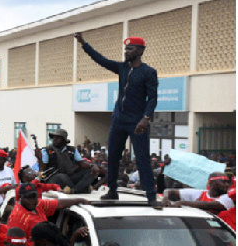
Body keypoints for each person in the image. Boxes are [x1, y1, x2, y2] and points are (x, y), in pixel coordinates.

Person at [75, 32, 162, 209]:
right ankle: (112, 190)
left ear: (140, 50)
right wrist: (83, 43)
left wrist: (145, 119)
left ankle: (151, 196)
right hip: (119, 120)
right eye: (125, 48)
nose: (126, 51)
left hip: (137, 122)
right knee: (113, 156)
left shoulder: (148, 72)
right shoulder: (122, 68)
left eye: (130, 48)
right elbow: (100, 59)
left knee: (143, 159)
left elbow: (152, 99)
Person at [7, 183, 89, 246]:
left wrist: (81, 200)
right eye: (28, 197)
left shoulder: (38, 204)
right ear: (20, 198)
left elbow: (59, 204)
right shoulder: (17, 217)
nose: (31, 200)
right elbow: (16, 245)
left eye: (33, 196)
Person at [40, 129, 95, 194]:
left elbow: (81, 163)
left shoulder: (72, 150)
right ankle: (82, 189)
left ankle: (74, 190)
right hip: (54, 177)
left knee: (90, 171)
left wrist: (92, 166)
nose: (55, 139)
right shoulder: (46, 150)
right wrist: (40, 159)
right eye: (54, 137)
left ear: (63, 139)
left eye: (58, 137)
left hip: (69, 176)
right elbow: (43, 168)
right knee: (61, 176)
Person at [162, 172, 234, 214]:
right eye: (223, 182)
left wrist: (182, 203)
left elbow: (209, 205)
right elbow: (169, 191)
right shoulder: (199, 193)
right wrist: (165, 198)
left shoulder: (228, 197)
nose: (227, 185)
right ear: (212, 182)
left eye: (228, 182)